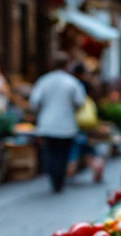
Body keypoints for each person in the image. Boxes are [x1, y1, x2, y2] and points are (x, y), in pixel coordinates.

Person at [29, 53, 85, 193]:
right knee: (63, 153)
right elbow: (80, 102)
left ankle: (54, 179)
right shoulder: (72, 82)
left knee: (51, 153)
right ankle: (59, 179)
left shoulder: (44, 81)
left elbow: (34, 103)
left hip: (47, 124)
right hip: (66, 124)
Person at [67, 62, 106, 183]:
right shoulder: (90, 84)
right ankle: (96, 165)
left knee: (75, 149)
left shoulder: (73, 84)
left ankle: (70, 171)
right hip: (88, 122)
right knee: (89, 149)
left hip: (76, 121)